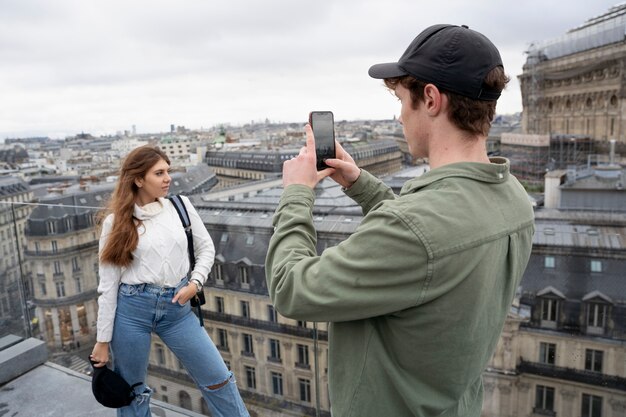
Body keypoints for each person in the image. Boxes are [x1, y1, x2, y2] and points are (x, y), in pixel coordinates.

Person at [265, 24, 534, 417]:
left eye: (401, 99)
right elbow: (431, 248)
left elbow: (291, 289)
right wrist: (359, 183)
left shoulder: (416, 228)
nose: (399, 115)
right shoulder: (515, 200)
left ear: (430, 99)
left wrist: (297, 193)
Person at [90, 145, 249, 417]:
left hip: (178, 307)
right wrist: (102, 340)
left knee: (219, 379)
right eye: (159, 173)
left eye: (168, 171)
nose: (168, 178)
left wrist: (195, 284)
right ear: (139, 179)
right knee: (133, 392)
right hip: (132, 311)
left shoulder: (180, 206)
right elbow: (108, 287)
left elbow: (206, 249)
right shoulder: (115, 222)